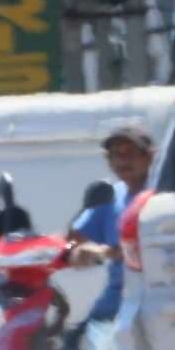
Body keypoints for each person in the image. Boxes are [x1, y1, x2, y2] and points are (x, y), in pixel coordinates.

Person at [64, 120, 153, 331]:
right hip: (115, 300)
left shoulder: (163, 195)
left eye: (130, 153)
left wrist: (104, 251)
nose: (123, 160)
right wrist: (76, 252)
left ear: (149, 156)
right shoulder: (111, 195)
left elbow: (145, 247)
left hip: (154, 298)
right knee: (73, 346)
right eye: (116, 154)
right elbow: (74, 240)